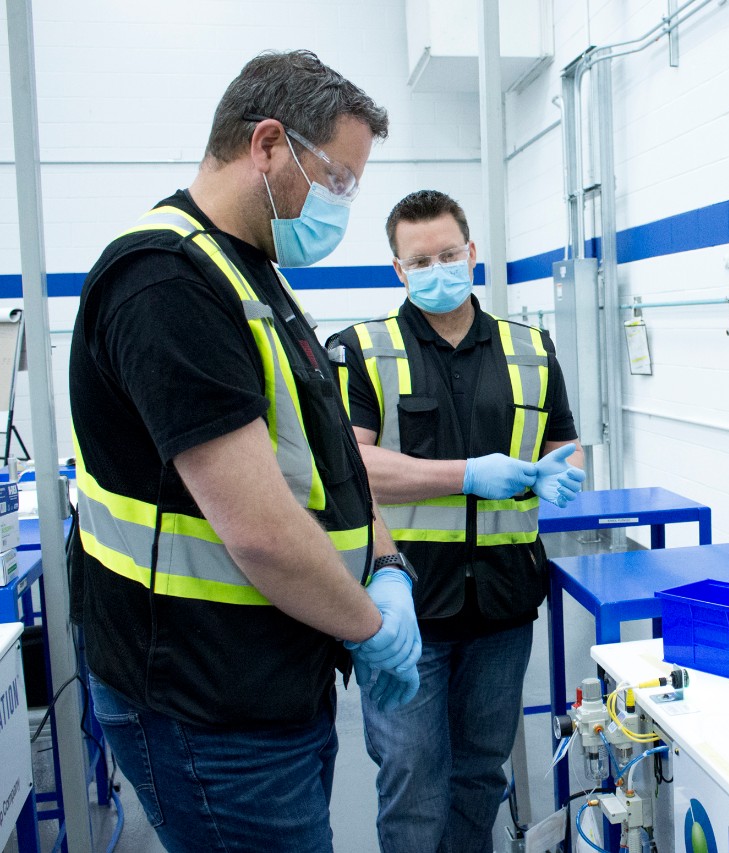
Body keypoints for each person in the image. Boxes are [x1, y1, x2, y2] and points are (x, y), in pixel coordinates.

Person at [68, 51, 422, 852]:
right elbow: (259, 527)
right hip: (205, 706)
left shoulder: (250, 277)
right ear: (267, 144)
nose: (342, 204)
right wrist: (370, 627)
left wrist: (389, 566)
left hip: (272, 685)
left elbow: (333, 467)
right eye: (338, 178)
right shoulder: (165, 282)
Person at [329, 189, 586, 852]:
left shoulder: (530, 348)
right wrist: (468, 473)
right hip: (405, 609)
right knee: (413, 782)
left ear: (471, 253)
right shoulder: (361, 349)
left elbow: (561, 440)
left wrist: (563, 468)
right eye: (421, 261)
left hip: (502, 605)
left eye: (449, 254)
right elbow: (348, 468)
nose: (438, 268)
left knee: (480, 776)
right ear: (398, 270)